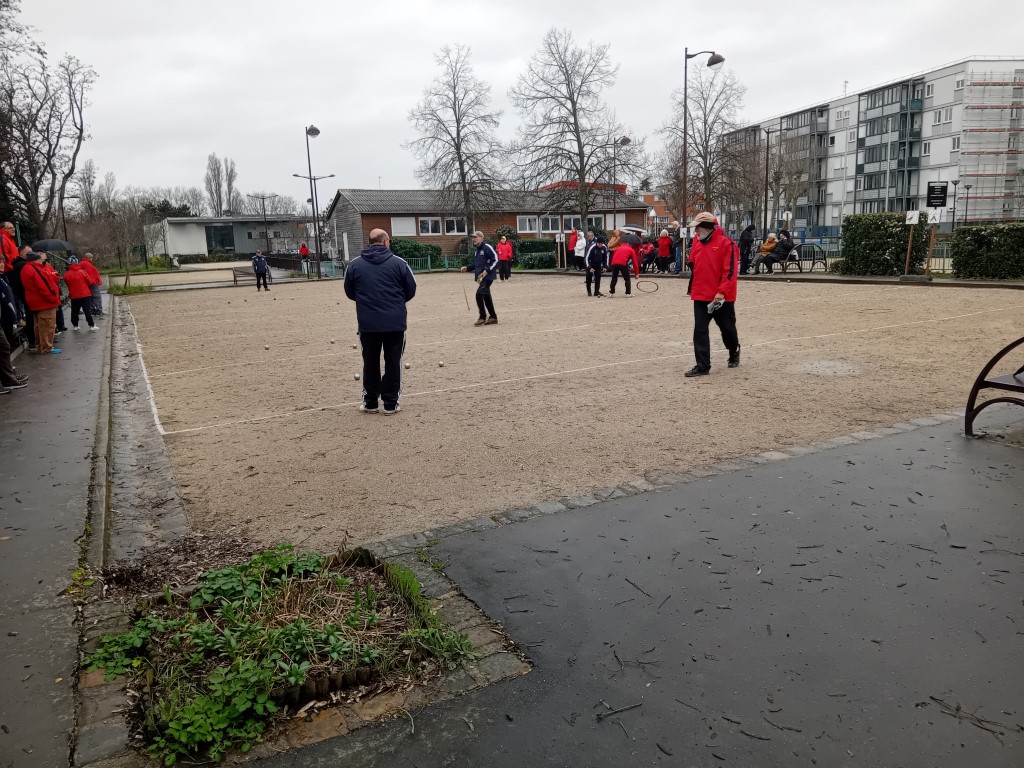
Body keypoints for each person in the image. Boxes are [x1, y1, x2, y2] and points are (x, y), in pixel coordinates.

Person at [343, 229, 417, 415]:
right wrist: (395, 302)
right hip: (395, 322)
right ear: (385, 242)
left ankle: (370, 402)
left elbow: (350, 292)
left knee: (369, 362)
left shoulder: (354, 265)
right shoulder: (399, 263)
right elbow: (411, 289)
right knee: (393, 362)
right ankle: (391, 403)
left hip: (368, 323)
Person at [684, 212, 740, 377]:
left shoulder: (726, 243)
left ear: (707, 227)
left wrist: (721, 292)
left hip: (721, 297)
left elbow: (730, 271)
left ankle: (734, 350)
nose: (695, 231)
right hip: (701, 294)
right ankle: (703, 365)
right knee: (700, 330)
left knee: (727, 329)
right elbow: (694, 264)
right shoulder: (697, 242)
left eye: (698, 227)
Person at [20, 252, 62, 354]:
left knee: (39, 326)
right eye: (40, 260)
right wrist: (54, 299)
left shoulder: (27, 268)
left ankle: (40, 346)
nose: (42, 261)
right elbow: (43, 286)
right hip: (44, 302)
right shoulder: (35, 269)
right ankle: (46, 348)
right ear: (36, 260)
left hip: (36, 302)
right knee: (47, 326)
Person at [461, 230, 499, 326]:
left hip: (487, 276)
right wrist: (467, 268)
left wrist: (487, 270)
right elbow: (476, 264)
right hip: (481, 277)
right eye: (473, 237)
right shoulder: (477, 250)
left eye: (475, 237)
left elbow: (496, 259)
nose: (473, 239)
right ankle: (493, 317)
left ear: (482, 237)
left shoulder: (487, 247)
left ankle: (482, 317)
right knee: (486, 297)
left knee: (479, 295)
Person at [62, 257, 97, 331]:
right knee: (87, 310)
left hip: (74, 295)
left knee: (74, 311)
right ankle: (91, 325)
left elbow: (67, 283)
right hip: (85, 294)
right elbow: (90, 282)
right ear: (77, 263)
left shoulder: (66, 274)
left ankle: (75, 325)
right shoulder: (83, 272)